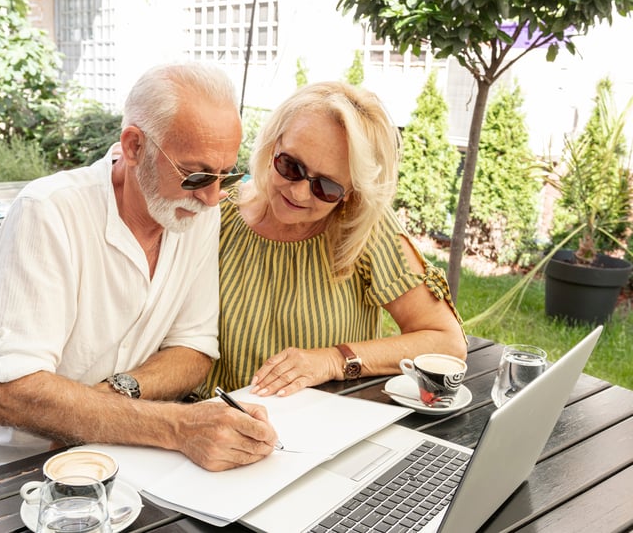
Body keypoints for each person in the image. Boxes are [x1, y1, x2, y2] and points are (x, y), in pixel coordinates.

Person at [0, 62, 278, 485]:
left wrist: (110, 397)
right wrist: (178, 427)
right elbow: (13, 394)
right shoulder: (49, 212)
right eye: (195, 174)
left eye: (225, 174)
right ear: (134, 146)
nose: (213, 198)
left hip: (104, 466)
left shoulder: (195, 211)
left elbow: (193, 349)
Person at [197, 81, 467, 399]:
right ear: (273, 144)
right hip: (215, 423)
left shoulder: (362, 226)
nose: (297, 192)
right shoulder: (216, 213)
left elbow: (447, 342)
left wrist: (333, 360)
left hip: (326, 429)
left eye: (326, 186)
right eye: (290, 166)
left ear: (350, 192)